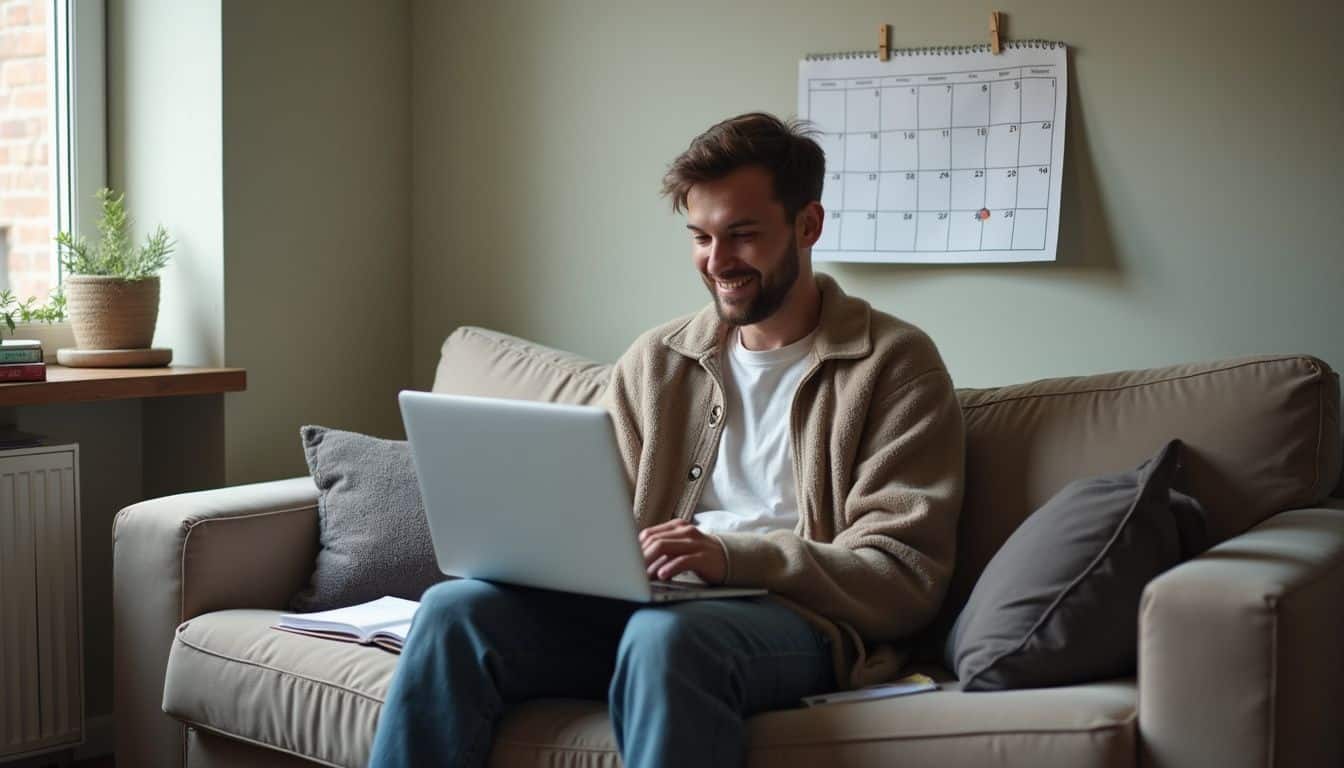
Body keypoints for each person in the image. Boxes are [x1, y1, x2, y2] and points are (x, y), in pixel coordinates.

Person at [368, 112, 965, 768]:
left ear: (808, 225)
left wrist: (732, 558)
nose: (718, 262)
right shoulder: (657, 359)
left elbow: (903, 579)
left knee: (670, 638)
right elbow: (594, 520)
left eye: (742, 235)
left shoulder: (894, 364)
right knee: (455, 611)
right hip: (645, 609)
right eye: (701, 237)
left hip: (798, 625)